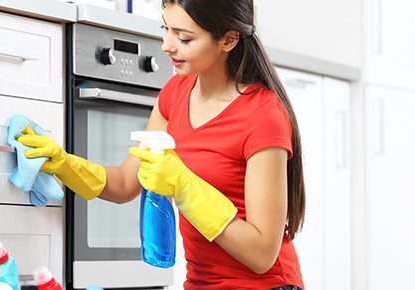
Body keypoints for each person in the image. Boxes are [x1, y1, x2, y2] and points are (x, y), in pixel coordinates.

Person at [17, 0, 306, 289]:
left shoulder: (262, 114)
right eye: (165, 29)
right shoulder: (175, 93)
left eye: (184, 38)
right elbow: (124, 184)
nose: (167, 45)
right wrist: (63, 162)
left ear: (228, 40)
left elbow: (262, 253)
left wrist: (184, 187)